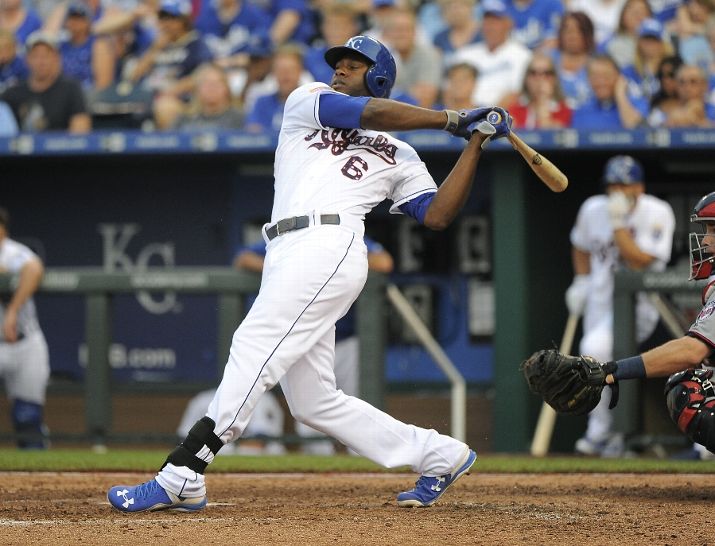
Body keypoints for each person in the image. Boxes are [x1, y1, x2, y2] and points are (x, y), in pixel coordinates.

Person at [107, 33, 513, 512]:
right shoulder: (309, 100)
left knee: (255, 344)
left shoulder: (399, 153)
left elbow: (437, 214)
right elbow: (371, 113)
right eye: (339, 61)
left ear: (379, 76)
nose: (340, 68)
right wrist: (450, 119)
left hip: (329, 244)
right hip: (285, 247)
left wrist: (475, 144)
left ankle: (184, 471)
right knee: (313, 401)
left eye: (354, 64)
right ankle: (441, 455)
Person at [179, 235, 394, 455]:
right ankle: (324, 477)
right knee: (311, 413)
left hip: (347, 341)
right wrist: (283, 271)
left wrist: (330, 266)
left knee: (358, 408)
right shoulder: (289, 234)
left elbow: (383, 262)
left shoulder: (343, 233)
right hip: (305, 340)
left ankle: (366, 465)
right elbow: (243, 259)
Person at [565, 155, 675, 457]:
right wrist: (581, 280)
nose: (618, 191)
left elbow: (639, 262)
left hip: (644, 306)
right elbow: (580, 245)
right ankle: (608, 434)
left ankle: (602, 433)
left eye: (624, 185)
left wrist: (617, 224)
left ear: (639, 186)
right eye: (613, 185)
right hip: (600, 299)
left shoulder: (657, 211)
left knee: (598, 351)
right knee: (592, 356)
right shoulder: (592, 208)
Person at [0, 207, 50, 449]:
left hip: (24, 342)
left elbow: (33, 269)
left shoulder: (13, 252)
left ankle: (35, 481)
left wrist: (12, 311)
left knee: (27, 416)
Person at [0, 31, 91, 133]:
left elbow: (80, 132)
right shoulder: (14, 93)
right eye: (35, 56)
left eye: (46, 55)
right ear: (27, 60)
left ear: (57, 58)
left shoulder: (70, 89)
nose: (41, 62)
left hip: (62, 147)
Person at [451, 0, 532, 107]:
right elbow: (451, 91)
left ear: (508, 23)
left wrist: (489, 116)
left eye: (496, 21)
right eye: (487, 21)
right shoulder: (464, 54)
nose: (490, 26)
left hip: (501, 116)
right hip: (467, 115)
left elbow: (516, 93)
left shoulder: (522, 55)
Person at [571, 54, 648, 130]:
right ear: (588, 80)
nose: (601, 82)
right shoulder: (582, 109)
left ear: (618, 77)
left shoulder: (637, 103)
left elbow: (634, 128)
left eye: (606, 76)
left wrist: (620, 94)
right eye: (595, 77)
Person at [507, 52, 572, 129]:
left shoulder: (564, 110)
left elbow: (550, 136)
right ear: (526, 78)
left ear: (554, 79)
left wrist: (543, 101)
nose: (540, 79)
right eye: (533, 73)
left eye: (547, 73)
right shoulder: (515, 108)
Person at [171, 62, 243, 130]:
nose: (211, 89)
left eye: (216, 84)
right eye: (206, 84)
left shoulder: (239, 119)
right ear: (197, 88)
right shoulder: (184, 119)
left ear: (226, 88)